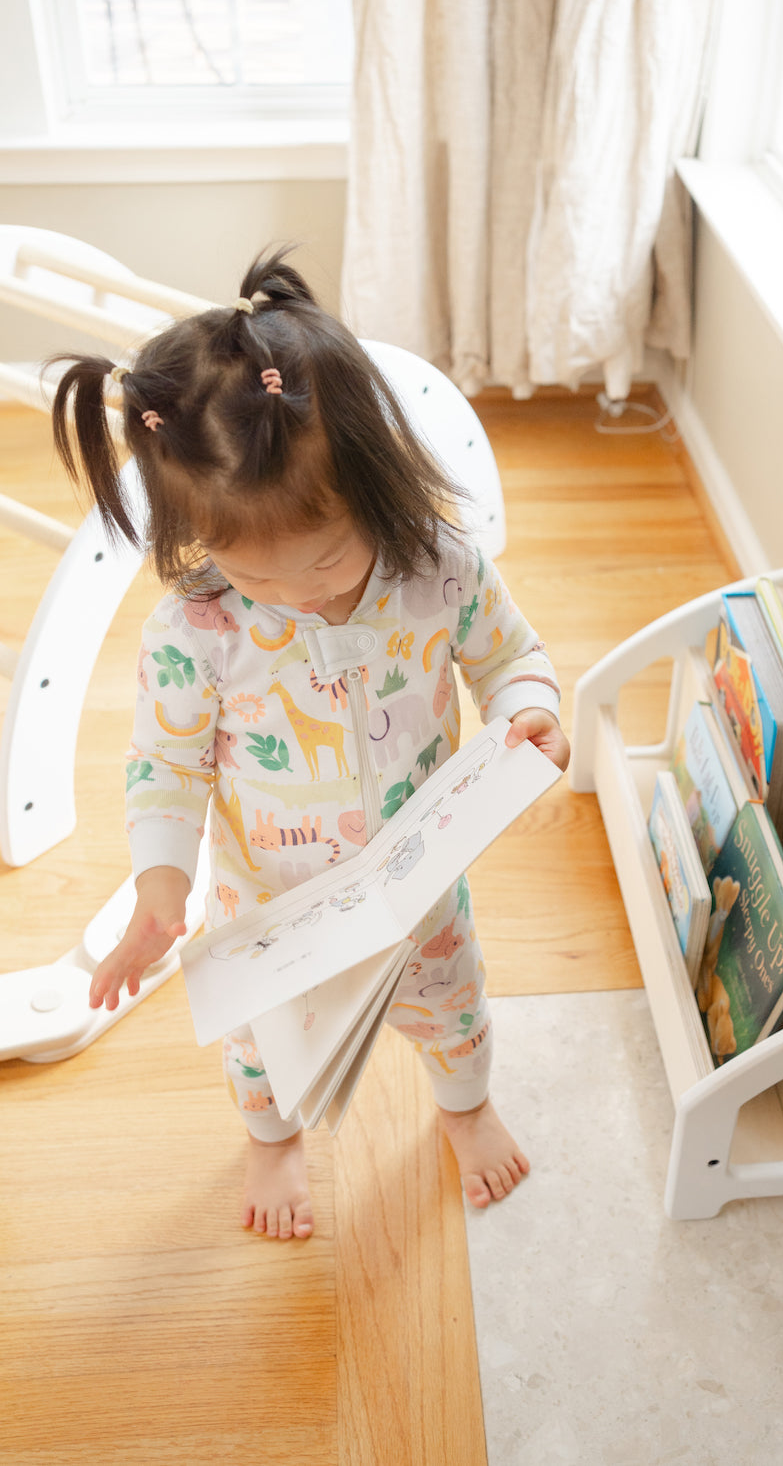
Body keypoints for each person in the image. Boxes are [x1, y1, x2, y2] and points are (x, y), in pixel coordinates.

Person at [51, 247, 570, 1240]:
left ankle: (465, 1110)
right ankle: (272, 1137)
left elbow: (512, 655)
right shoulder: (198, 632)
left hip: (421, 884)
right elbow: (163, 765)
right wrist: (162, 882)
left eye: (330, 555)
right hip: (270, 905)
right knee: (263, 1043)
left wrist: (528, 708)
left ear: (377, 482)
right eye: (259, 574)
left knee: (454, 1007)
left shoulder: (440, 568)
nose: (306, 595)